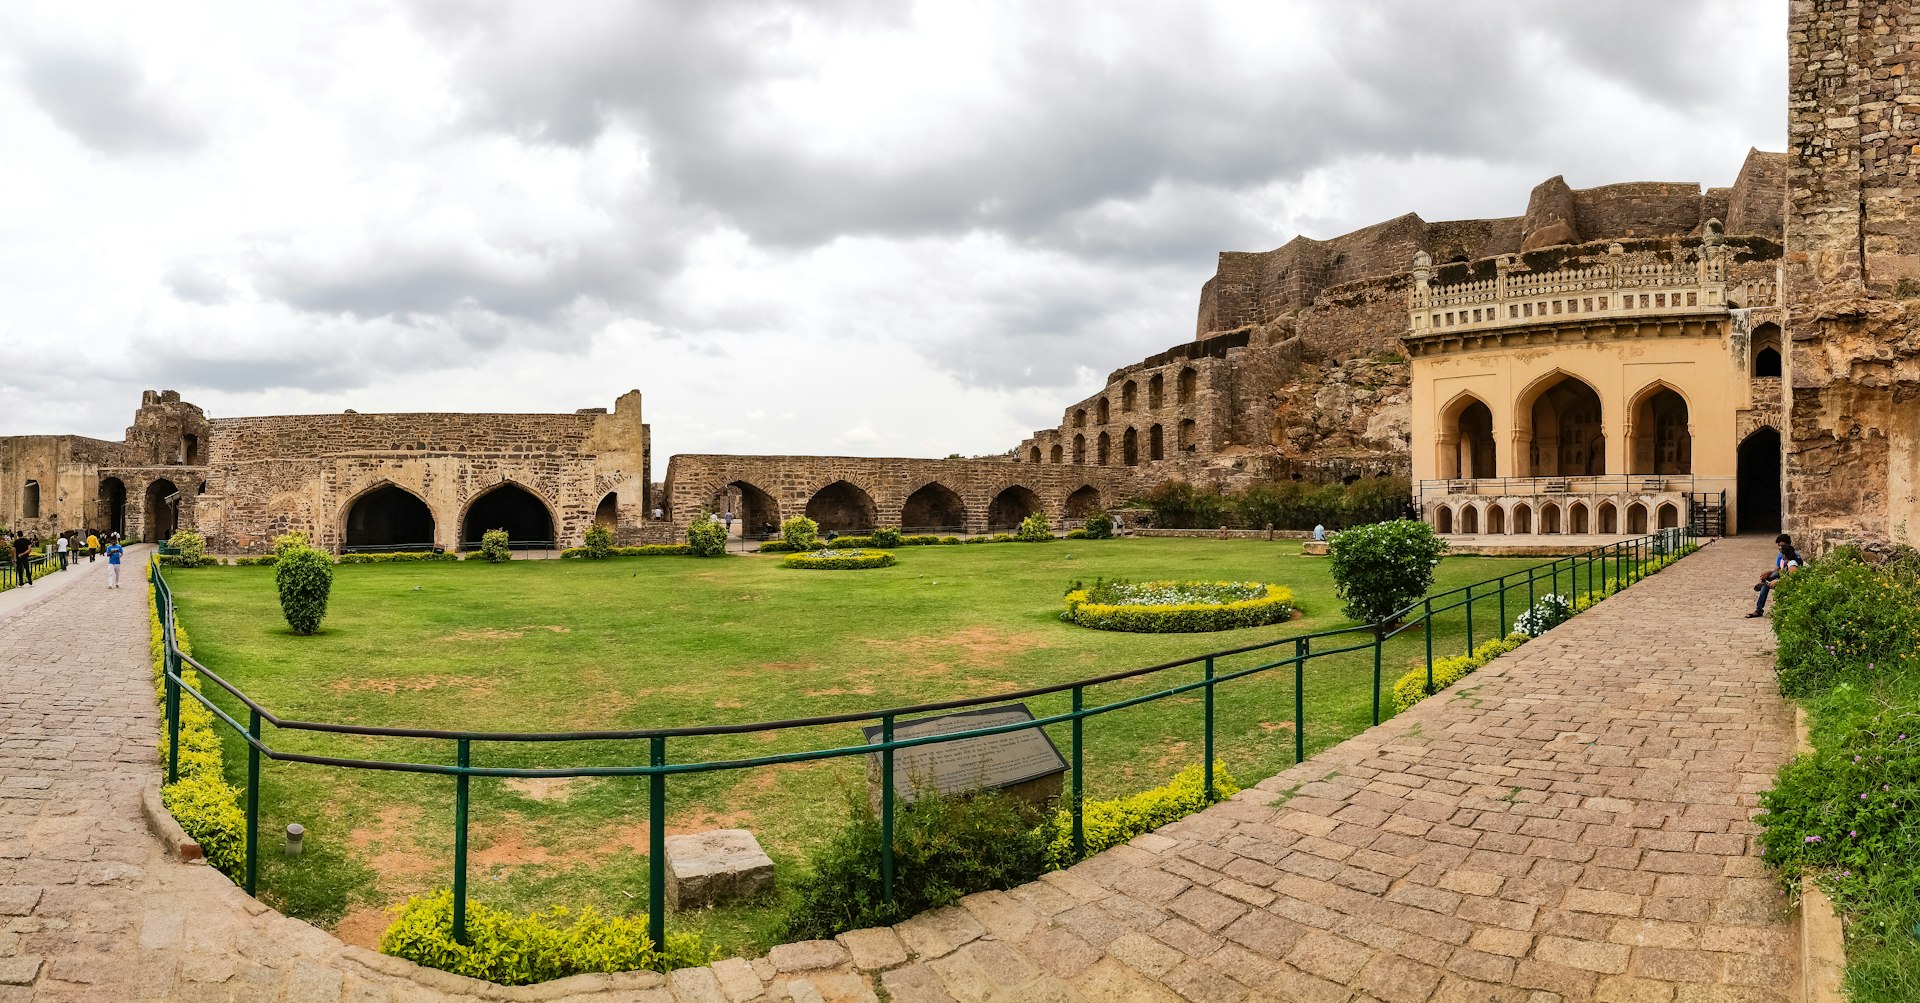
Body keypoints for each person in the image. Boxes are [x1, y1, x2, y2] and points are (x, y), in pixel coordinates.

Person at [1747, 533, 1802, 618]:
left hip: (1789, 581)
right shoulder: (1781, 555)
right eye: (1779, 545)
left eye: (1782, 545)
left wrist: (1778, 581)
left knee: (1770, 580)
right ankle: (1759, 609)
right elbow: (1779, 569)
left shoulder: (1793, 560)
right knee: (1768, 581)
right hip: (1783, 576)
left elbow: (1793, 578)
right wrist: (1769, 574)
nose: (1780, 548)